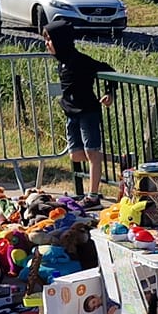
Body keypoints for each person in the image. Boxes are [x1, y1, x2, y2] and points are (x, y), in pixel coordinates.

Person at [46, 25, 113, 194]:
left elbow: (109, 70)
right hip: (71, 113)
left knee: (91, 152)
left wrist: (109, 93)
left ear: (60, 41)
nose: (47, 44)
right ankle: (119, 160)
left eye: (49, 40)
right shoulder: (61, 63)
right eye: (45, 39)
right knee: (75, 155)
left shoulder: (80, 60)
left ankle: (93, 195)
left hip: (87, 111)